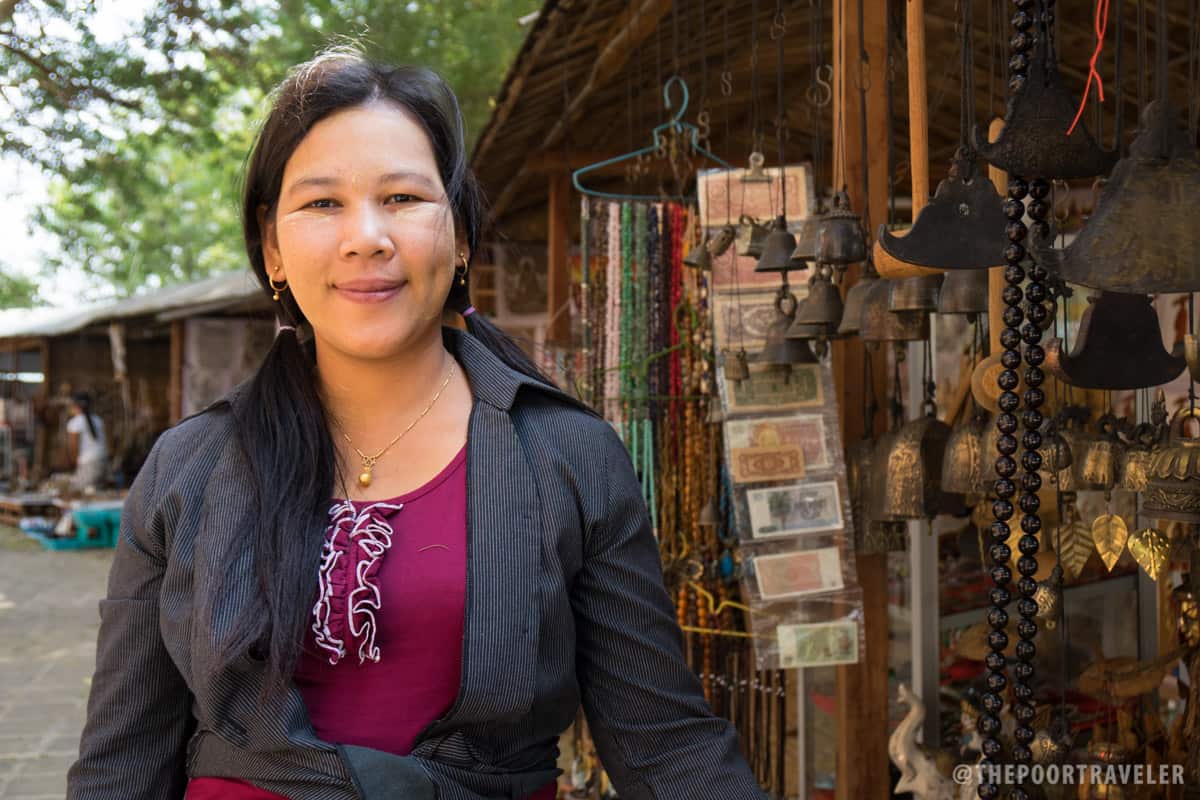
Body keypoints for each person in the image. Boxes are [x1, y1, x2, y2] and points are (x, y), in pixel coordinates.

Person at [67, 49, 767, 800]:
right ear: (273, 248)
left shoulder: (567, 457)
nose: (366, 237)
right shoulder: (188, 469)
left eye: (402, 198)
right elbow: (120, 763)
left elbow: (665, 748)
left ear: (461, 237)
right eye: (322, 203)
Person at [65, 391, 106, 491]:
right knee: (94, 492)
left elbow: (73, 446)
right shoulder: (98, 420)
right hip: (102, 462)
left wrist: (72, 463)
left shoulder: (75, 422)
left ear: (75, 406)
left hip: (89, 465)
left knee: (77, 492)